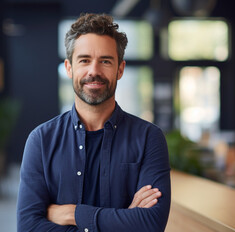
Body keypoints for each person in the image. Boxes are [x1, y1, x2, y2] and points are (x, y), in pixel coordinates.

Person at [17, 13, 171, 232]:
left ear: (120, 69)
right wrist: (125, 219)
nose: (94, 71)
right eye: (84, 60)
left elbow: (151, 224)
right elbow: (28, 227)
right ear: (69, 68)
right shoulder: (41, 140)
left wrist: (73, 214)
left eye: (105, 61)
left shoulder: (149, 138)